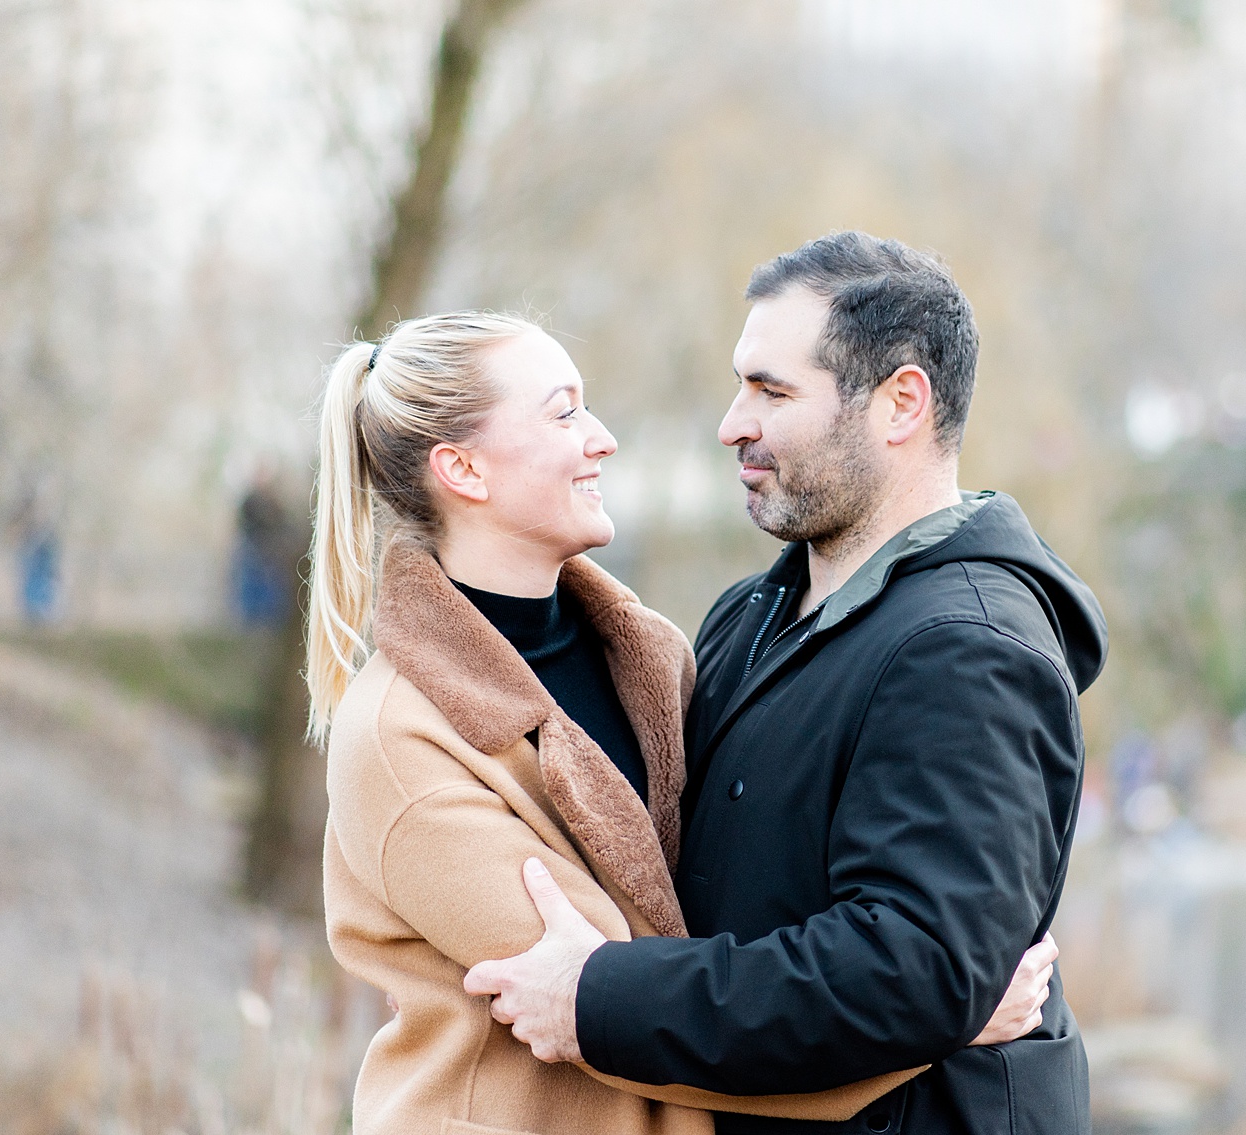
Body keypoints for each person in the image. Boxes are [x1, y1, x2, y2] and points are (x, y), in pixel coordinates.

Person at [308, 311, 1055, 1135]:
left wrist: (922, 980)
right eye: (564, 413)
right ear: (464, 468)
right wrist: (932, 1025)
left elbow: (706, 938)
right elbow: (596, 1004)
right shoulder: (400, 735)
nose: (603, 440)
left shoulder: (658, 660)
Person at [466, 233, 1107, 1135]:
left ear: (901, 403)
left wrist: (598, 998)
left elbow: (914, 970)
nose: (733, 422)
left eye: (772, 390)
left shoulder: (971, 649)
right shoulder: (750, 614)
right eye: (741, 385)